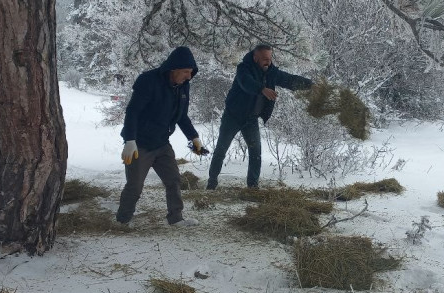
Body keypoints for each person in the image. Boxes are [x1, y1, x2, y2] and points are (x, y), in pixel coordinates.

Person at [117, 46, 209, 226]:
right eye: (185, 72)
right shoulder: (148, 81)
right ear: (173, 69)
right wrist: (130, 140)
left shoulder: (183, 87)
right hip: (140, 144)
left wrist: (194, 138)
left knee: (174, 180)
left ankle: (176, 218)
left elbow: (181, 116)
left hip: (162, 143)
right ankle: (122, 221)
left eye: (191, 73)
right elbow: (133, 112)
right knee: (135, 186)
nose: (189, 77)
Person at [206, 44, 313, 190]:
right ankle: (212, 182)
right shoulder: (243, 68)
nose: (267, 61)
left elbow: (289, 79)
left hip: (251, 119)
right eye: (264, 59)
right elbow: (246, 83)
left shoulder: (271, 72)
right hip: (233, 116)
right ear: (255, 58)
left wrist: (310, 85)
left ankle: (253, 187)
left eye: (269, 58)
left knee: (256, 153)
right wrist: (262, 89)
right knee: (221, 149)